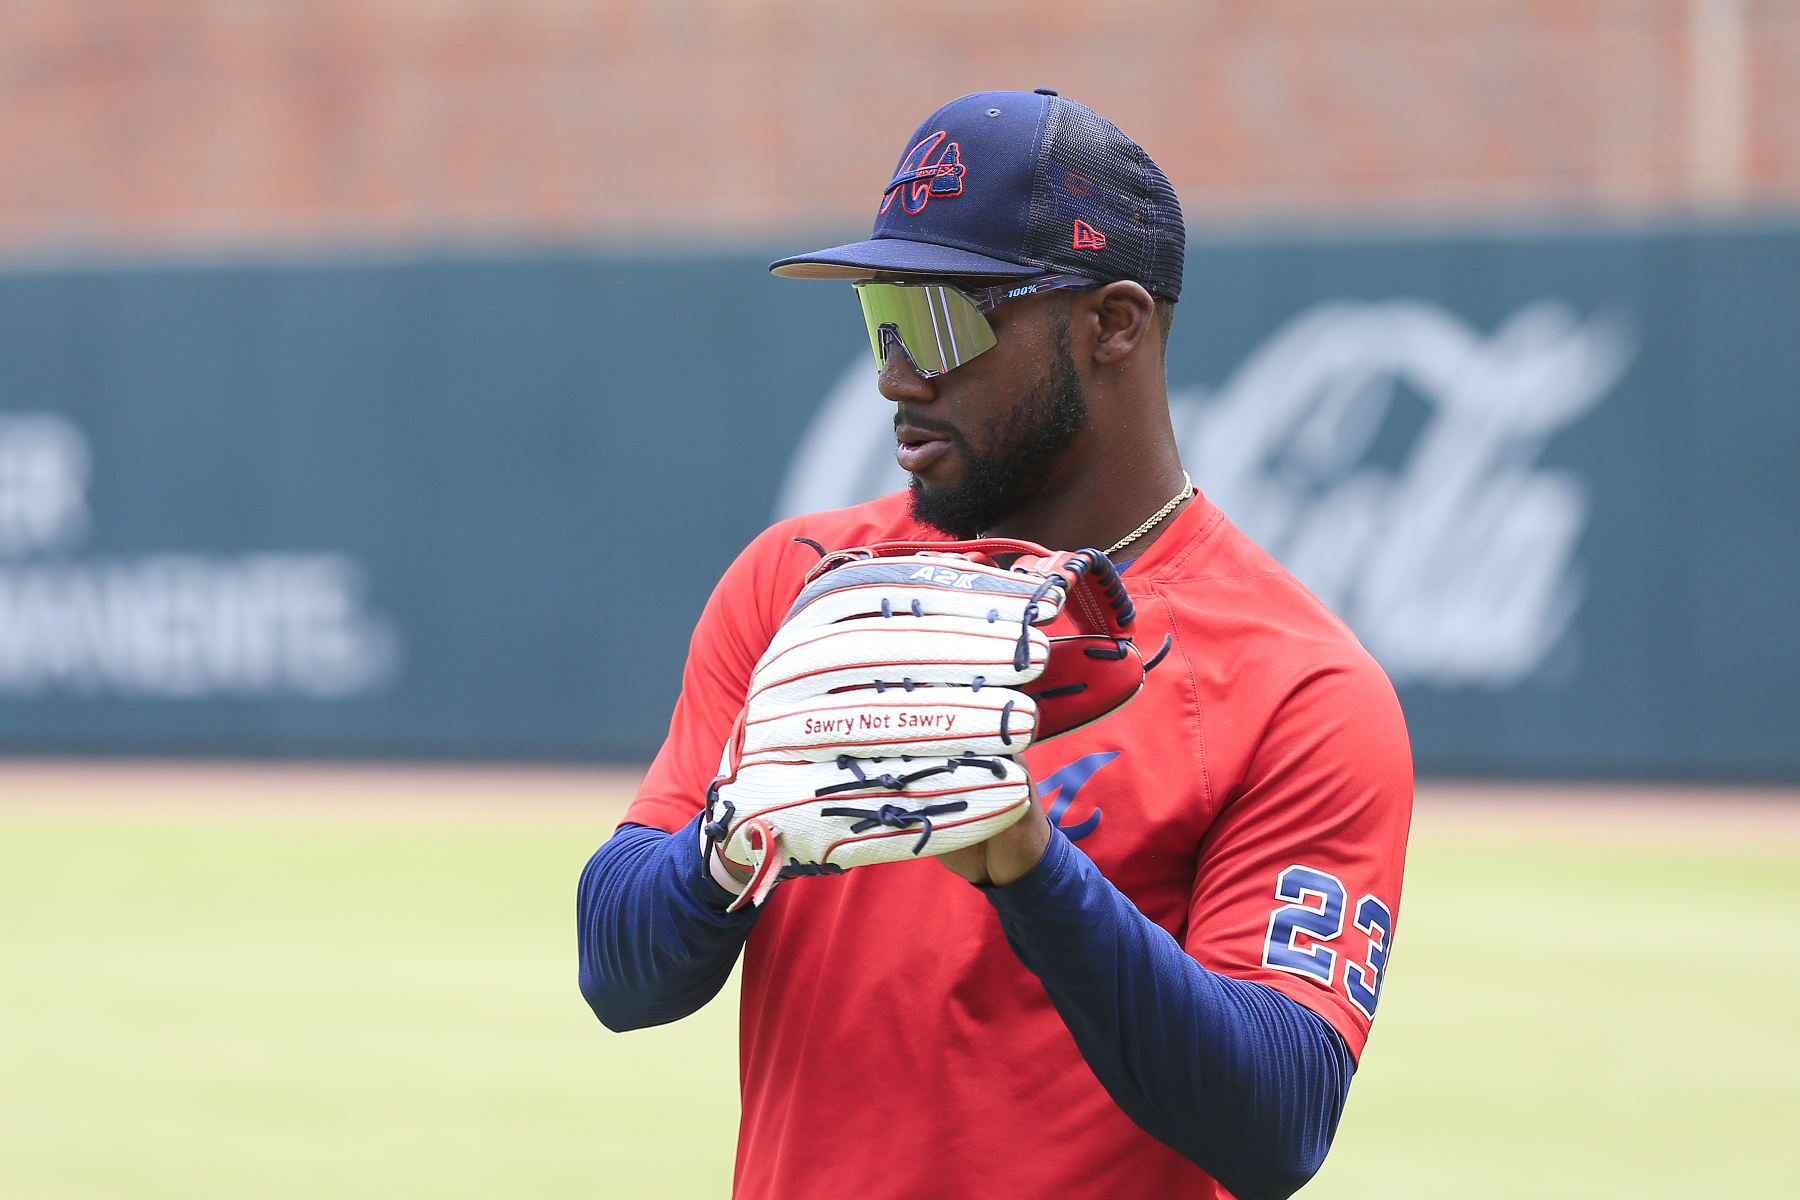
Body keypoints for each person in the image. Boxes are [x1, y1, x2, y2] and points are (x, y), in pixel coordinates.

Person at [577, 89, 1412, 1200]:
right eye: (881, 316)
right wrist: (731, 843)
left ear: (1113, 324)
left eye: (942, 319)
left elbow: (1278, 1122)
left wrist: (1025, 862)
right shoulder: (801, 587)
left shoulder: (1301, 687)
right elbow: (618, 976)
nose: (896, 376)